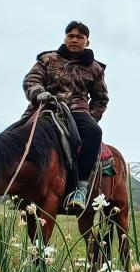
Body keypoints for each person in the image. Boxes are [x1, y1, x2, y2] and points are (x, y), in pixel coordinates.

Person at [22, 21, 109, 212]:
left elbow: (101, 98)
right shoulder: (47, 59)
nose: (74, 40)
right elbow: (32, 79)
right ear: (65, 38)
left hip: (77, 112)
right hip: (45, 108)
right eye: (71, 36)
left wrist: (91, 117)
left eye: (79, 37)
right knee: (12, 136)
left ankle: (80, 187)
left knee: (94, 132)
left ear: (87, 41)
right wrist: (38, 93)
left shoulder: (95, 69)